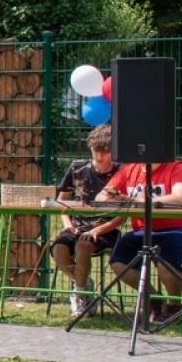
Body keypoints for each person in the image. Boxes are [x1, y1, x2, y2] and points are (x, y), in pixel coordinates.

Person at [98, 150, 182, 324]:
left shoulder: (176, 167)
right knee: (118, 260)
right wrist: (114, 197)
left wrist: (145, 201)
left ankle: (174, 305)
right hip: (142, 231)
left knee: (166, 257)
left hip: (177, 229)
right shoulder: (129, 170)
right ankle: (153, 298)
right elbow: (101, 197)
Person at [50, 123, 121, 316]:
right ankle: (83, 283)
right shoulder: (77, 168)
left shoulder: (122, 172)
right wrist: (68, 225)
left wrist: (97, 230)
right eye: (96, 151)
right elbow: (62, 203)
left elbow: (123, 215)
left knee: (83, 246)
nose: (99, 157)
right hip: (76, 226)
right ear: (90, 148)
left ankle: (79, 294)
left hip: (105, 229)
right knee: (58, 249)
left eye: (105, 152)